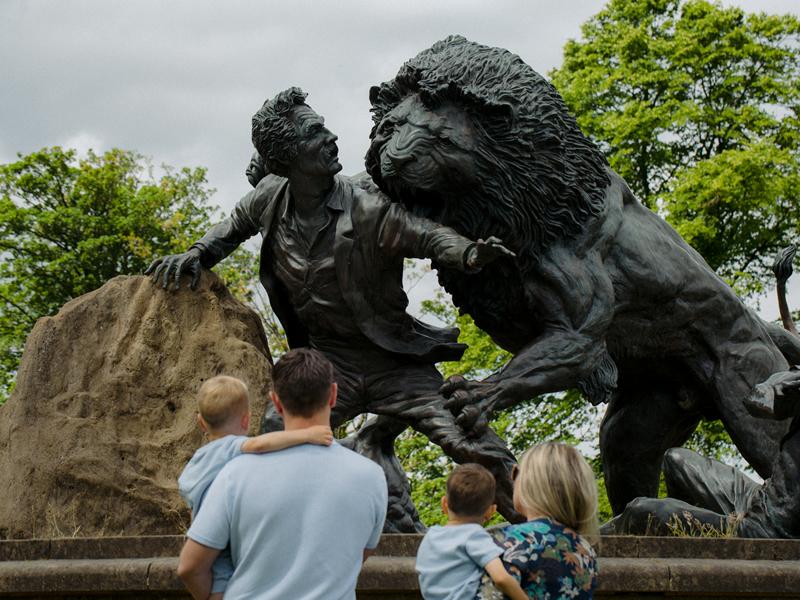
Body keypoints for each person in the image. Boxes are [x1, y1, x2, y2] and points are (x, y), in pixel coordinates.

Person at [146, 86, 520, 530]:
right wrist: (196, 253)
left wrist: (470, 254)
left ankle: (543, 528)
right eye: (315, 131)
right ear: (288, 157)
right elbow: (231, 229)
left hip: (393, 365)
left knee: (469, 440)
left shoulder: (367, 207)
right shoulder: (269, 197)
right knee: (274, 438)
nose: (332, 136)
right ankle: (275, 537)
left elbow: (427, 234)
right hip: (327, 367)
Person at [177, 348, 388, 600]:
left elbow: (190, 567)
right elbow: (358, 554)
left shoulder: (235, 473)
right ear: (333, 394)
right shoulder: (372, 476)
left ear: (275, 402)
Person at [177, 374, 333, 598]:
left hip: (202, 533)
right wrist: (307, 434)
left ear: (201, 422)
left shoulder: (199, 459)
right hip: (223, 543)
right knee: (223, 579)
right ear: (246, 420)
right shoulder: (230, 447)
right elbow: (260, 444)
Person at [604, 369, 800, 539]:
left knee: (641, 511)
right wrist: (780, 385)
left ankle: (580, 546)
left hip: (763, 528)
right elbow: (756, 401)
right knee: (676, 460)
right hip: (759, 497)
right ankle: (686, 533)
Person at [478, 443, 599, 600]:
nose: (513, 480)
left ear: (531, 482)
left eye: (516, 473)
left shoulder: (510, 540)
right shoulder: (585, 550)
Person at [416, 463, 527, 600]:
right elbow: (501, 578)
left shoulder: (431, 535)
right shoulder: (475, 536)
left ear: (444, 504)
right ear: (490, 511)